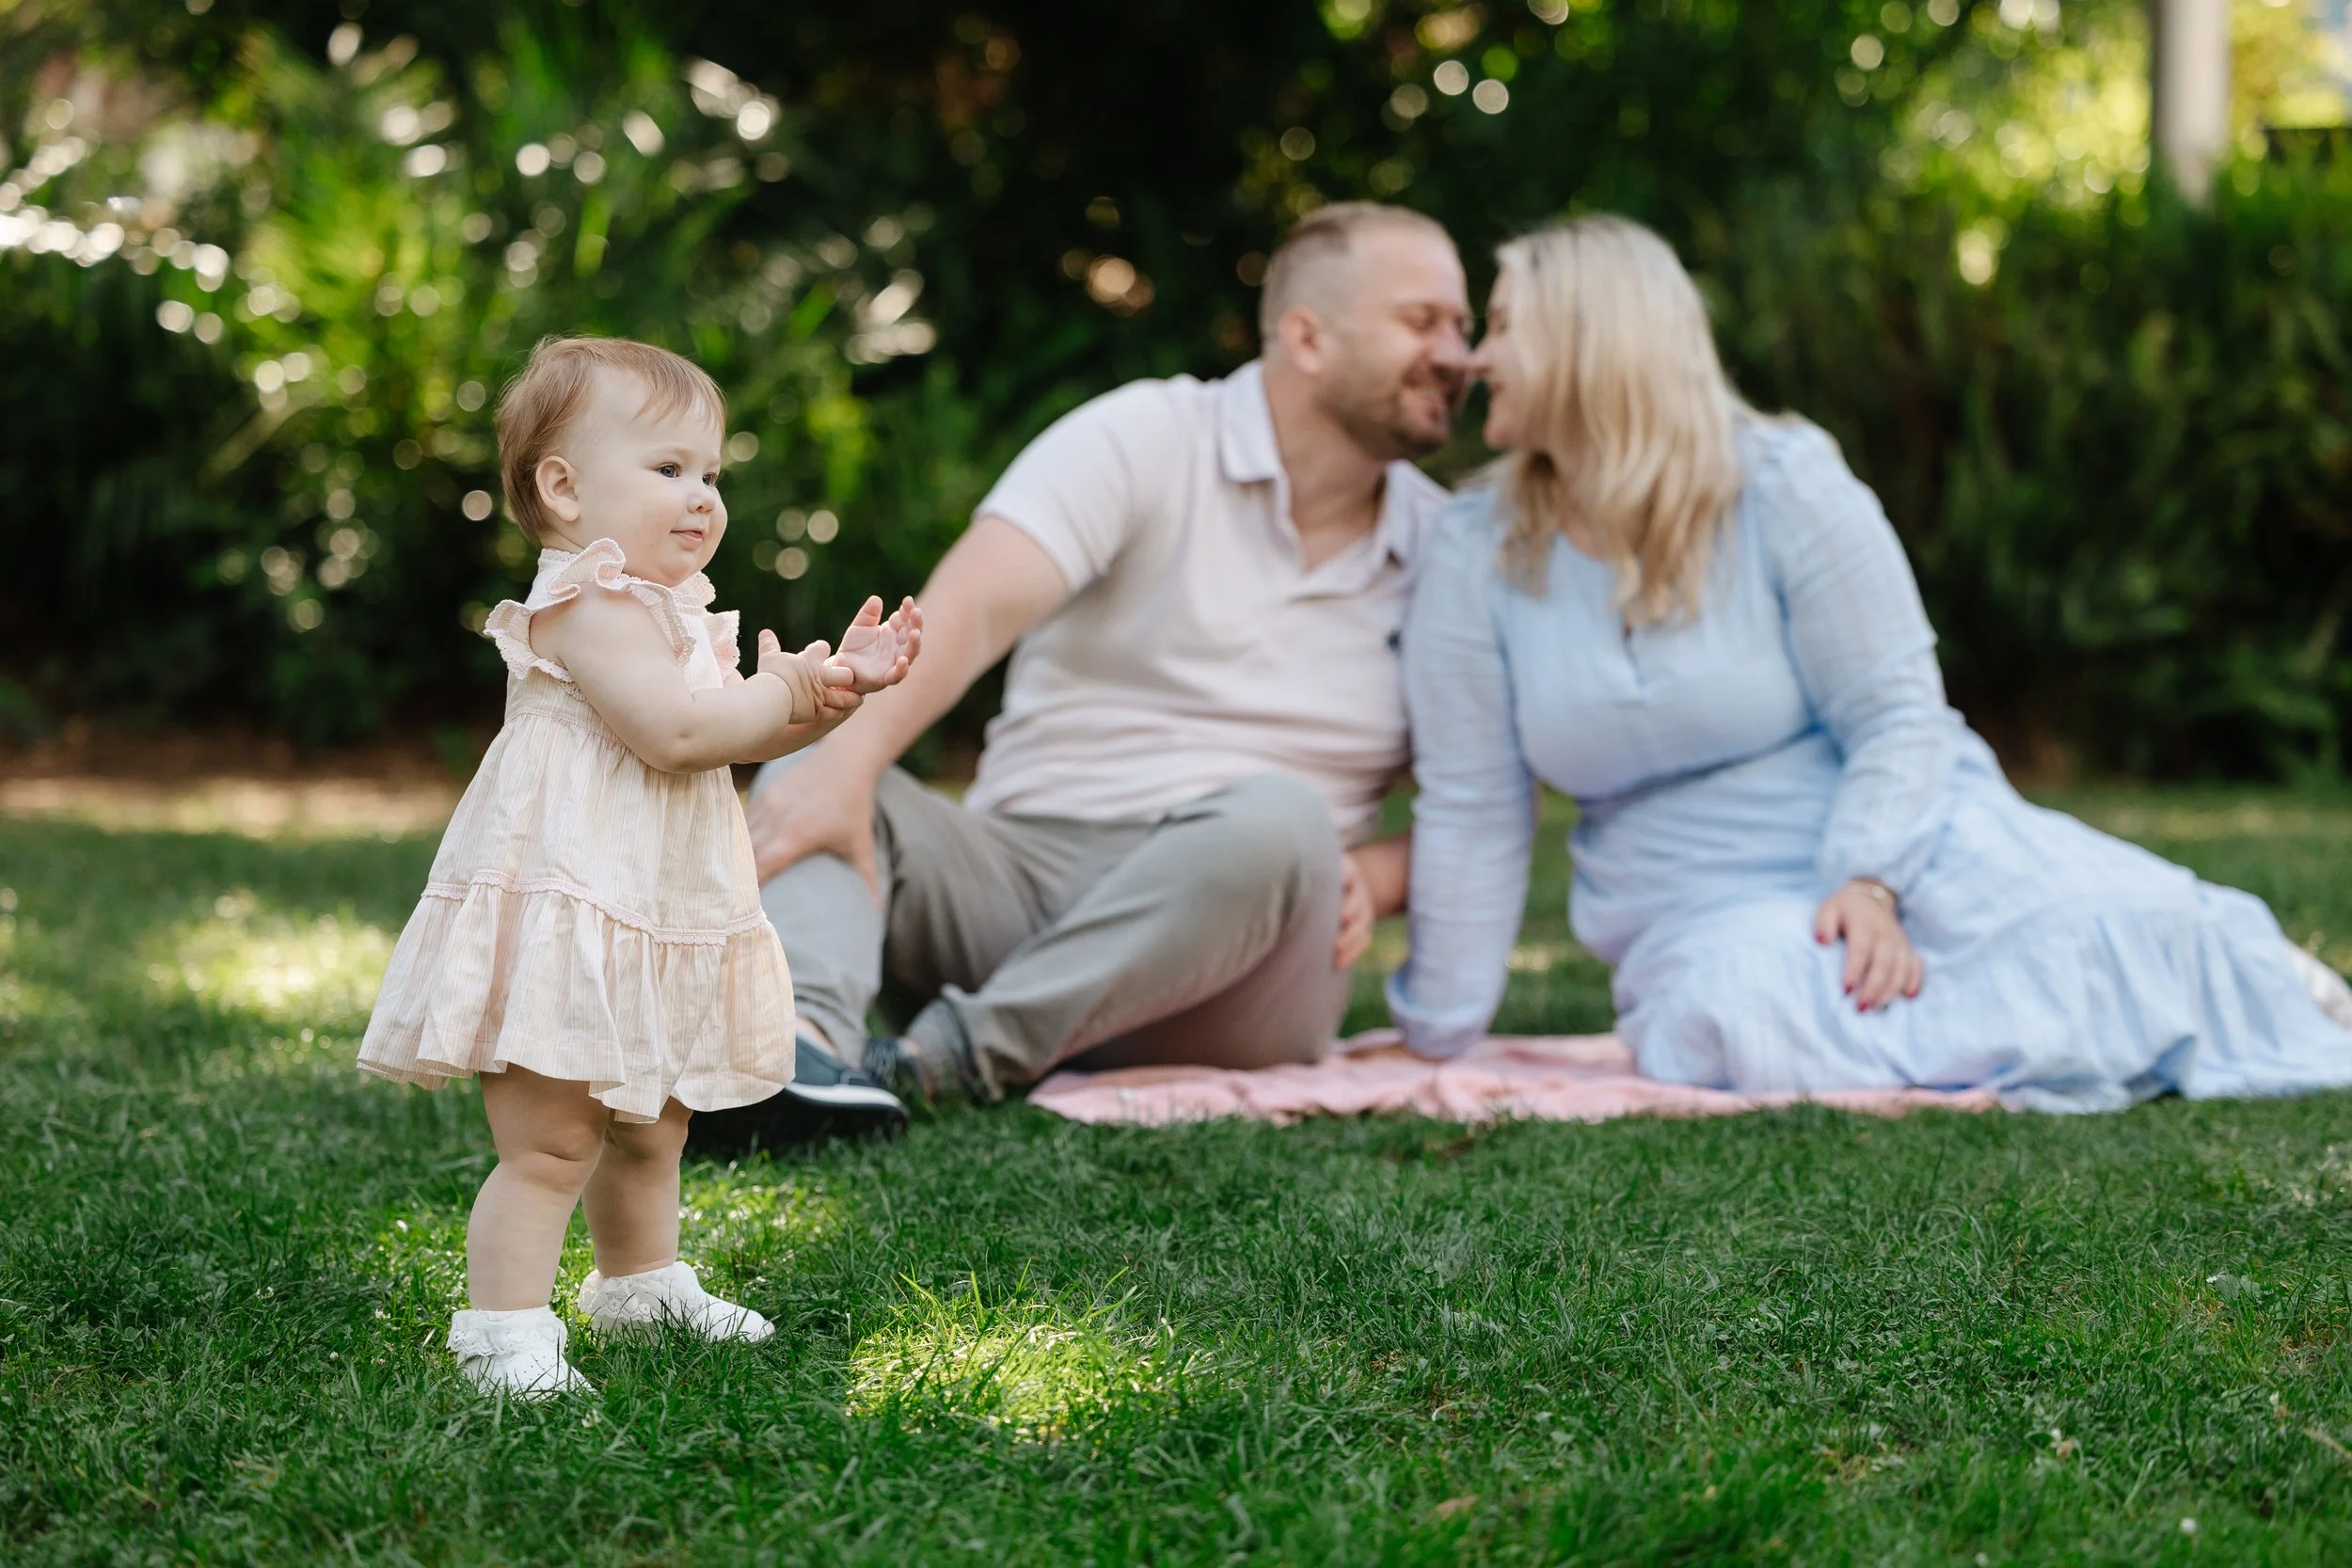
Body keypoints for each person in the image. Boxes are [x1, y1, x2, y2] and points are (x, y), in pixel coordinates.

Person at [1390, 215, 2352, 1110]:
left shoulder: (1780, 479)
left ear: (1592, 339)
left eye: (1503, 324)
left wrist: (1867, 878)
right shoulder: (1475, 547)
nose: (1477, 359)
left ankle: (2246, 974)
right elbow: (1474, 801)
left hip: (1902, 833)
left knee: (2112, 928)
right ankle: (2062, 1033)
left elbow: (1895, 709)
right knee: (1739, 1006)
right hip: (1692, 896)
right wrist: (1436, 1030)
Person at [690, 200, 1472, 1145]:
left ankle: (943, 1059)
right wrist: (842, 770)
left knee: (1281, 819)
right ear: (1306, 336)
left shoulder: (1451, 554)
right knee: (821, 760)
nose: (1456, 354)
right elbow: (973, 608)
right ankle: (800, 1057)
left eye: (1463, 328)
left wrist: (1380, 872)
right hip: (1018, 881)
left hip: (1245, 956)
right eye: (1422, 321)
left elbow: (1500, 801)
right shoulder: (1148, 435)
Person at [358, 336, 920, 1398]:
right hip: (571, 901)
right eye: (668, 469)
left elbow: (726, 734)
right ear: (562, 488)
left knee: (655, 1118)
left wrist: (825, 693)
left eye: (711, 473)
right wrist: (797, 694)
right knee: (555, 1136)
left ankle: (640, 1281)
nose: (702, 496)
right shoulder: (586, 604)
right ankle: (502, 1327)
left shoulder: (671, 610)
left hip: (650, 902)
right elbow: (673, 732)